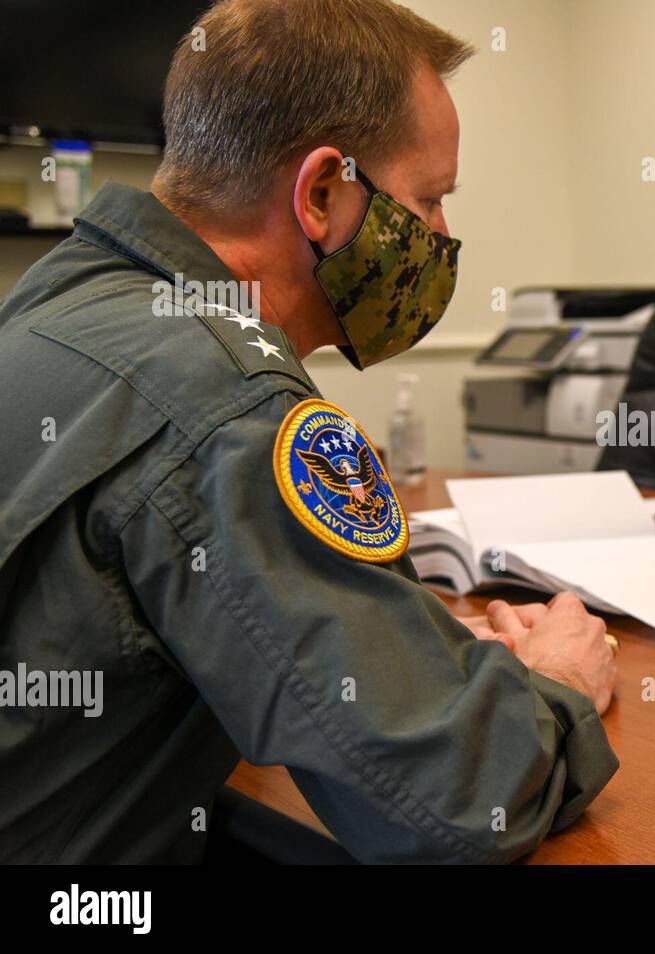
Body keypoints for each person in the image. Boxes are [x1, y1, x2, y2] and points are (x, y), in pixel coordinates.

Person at [0, 0, 617, 863]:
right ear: (324, 192)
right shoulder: (227, 401)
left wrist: (388, 640)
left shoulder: (59, 303)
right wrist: (558, 682)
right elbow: (459, 804)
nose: (440, 237)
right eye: (430, 200)